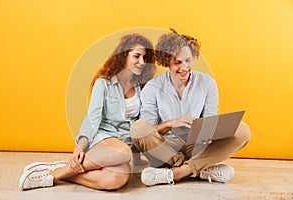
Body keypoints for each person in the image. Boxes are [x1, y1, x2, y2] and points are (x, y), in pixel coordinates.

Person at [18, 33, 155, 190]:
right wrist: (79, 148)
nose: (142, 62)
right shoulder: (104, 83)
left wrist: (138, 157)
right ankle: (53, 176)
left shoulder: (142, 86)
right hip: (105, 138)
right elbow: (93, 118)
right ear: (123, 55)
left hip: (125, 145)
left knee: (116, 180)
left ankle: (62, 171)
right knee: (123, 152)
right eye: (136, 56)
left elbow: (140, 123)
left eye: (145, 58)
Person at [130, 29, 251, 186]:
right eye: (177, 62)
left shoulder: (206, 83)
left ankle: (178, 172)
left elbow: (211, 119)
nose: (184, 67)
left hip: (197, 146)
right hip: (165, 148)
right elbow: (150, 129)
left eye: (188, 60)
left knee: (243, 130)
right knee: (138, 128)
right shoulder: (153, 87)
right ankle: (199, 169)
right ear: (167, 62)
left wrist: (208, 132)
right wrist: (170, 123)